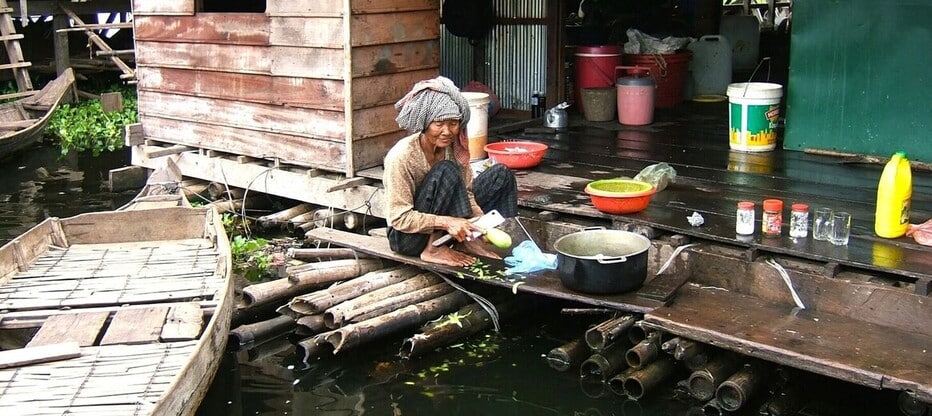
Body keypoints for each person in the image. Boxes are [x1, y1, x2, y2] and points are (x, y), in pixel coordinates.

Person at [383, 76, 518, 267]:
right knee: (446, 170)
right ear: (425, 123)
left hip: (448, 224)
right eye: (438, 124)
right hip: (409, 239)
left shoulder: (452, 148)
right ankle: (433, 249)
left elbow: (466, 192)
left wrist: (481, 221)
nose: (447, 131)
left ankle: (469, 240)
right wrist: (448, 222)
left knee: (500, 175)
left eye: (453, 123)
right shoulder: (402, 156)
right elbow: (400, 218)